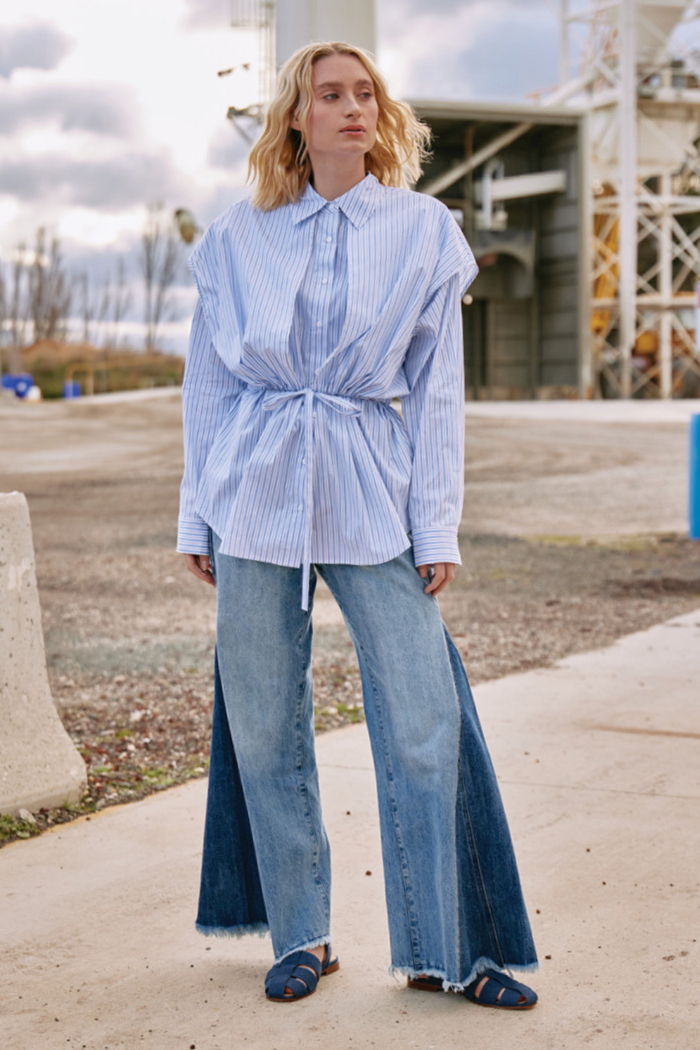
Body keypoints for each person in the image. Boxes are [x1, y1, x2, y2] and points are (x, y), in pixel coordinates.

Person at [178, 40, 538, 1008]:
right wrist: (197, 515)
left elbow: (436, 396)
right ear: (294, 115)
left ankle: (445, 948)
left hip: (371, 492)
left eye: (364, 93)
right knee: (263, 725)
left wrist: (438, 527)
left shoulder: (423, 231)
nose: (350, 108)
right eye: (328, 94)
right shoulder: (236, 236)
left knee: (425, 718)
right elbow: (209, 384)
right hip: (253, 491)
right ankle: (300, 936)